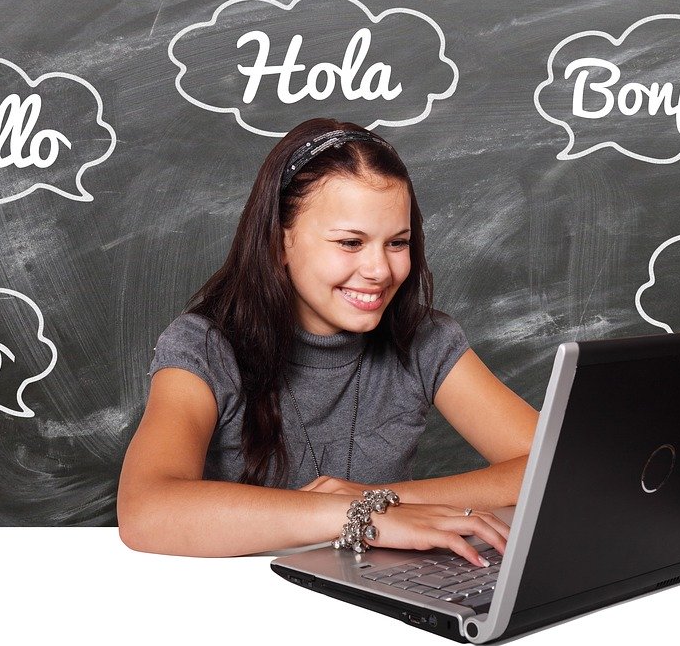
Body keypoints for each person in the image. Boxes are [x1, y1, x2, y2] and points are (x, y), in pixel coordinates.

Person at [118, 118, 539, 567]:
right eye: (350, 242)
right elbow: (146, 509)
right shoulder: (203, 345)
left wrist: (384, 500)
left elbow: (555, 464)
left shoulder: (424, 340)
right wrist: (359, 516)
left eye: (397, 243)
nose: (379, 269)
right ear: (280, 243)